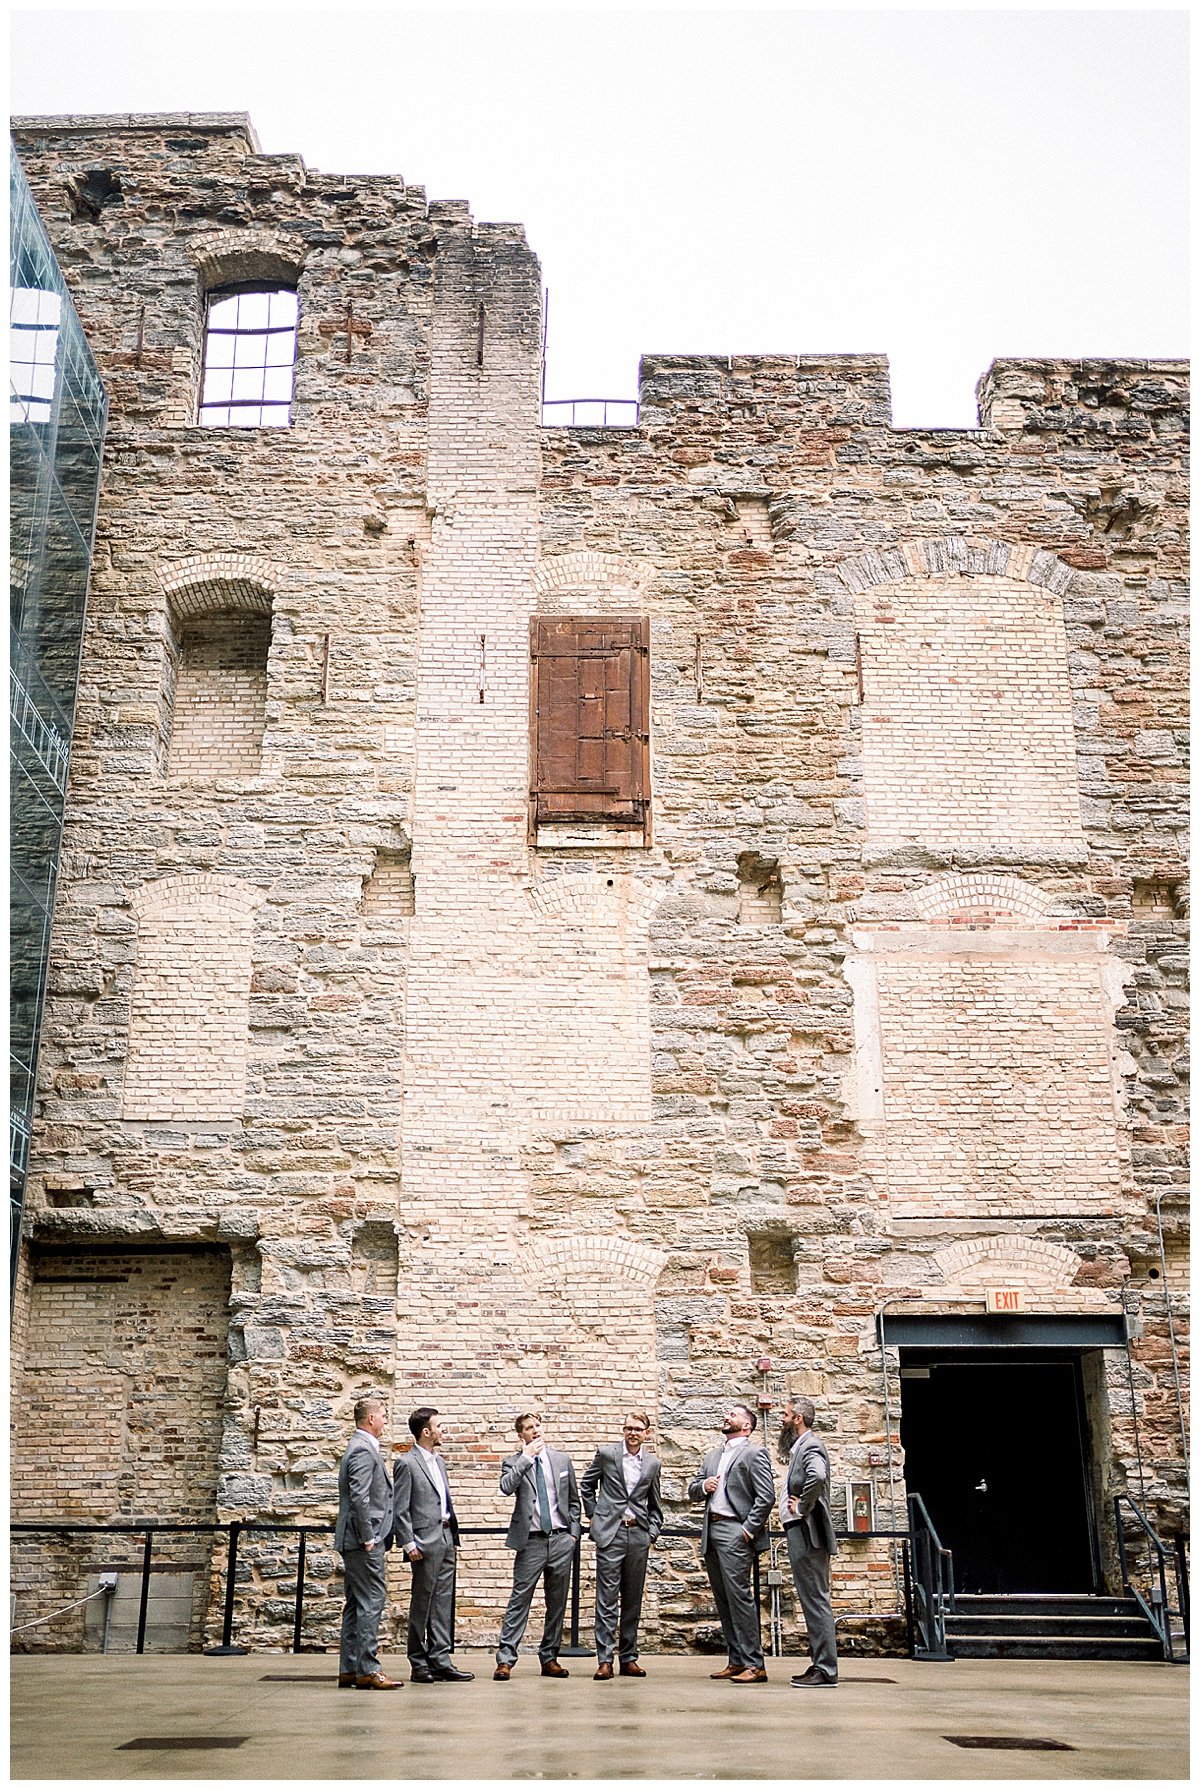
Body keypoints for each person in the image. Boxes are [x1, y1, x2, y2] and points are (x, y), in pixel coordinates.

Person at [688, 1401, 776, 1684]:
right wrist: (704, 1487)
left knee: (740, 1599)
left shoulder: (755, 1453)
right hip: (711, 1531)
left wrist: (748, 1530)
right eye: (727, 1414)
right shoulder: (713, 1456)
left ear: (747, 1425)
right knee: (724, 1600)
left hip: (735, 1531)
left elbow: (766, 1497)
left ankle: (755, 1664)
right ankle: (736, 1660)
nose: (727, 1417)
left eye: (733, 1415)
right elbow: (693, 1489)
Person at [493, 1412, 581, 1679]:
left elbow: (573, 1500)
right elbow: (506, 1487)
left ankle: (549, 1658)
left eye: (538, 1426)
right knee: (519, 1599)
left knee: (557, 1602)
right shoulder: (513, 1462)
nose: (535, 1431)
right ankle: (506, 1659)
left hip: (560, 1539)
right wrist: (527, 1457)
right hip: (530, 1541)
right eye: (529, 1428)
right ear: (521, 1434)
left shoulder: (561, 1460)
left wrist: (573, 1535)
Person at [392, 1406, 474, 1683]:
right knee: (422, 1603)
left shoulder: (438, 1462)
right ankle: (418, 1661)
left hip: (447, 1538)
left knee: (443, 1602)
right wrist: (408, 1543)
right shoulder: (407, 1463)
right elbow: (400, 1509)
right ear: (426, 1432)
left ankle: (440, 1659)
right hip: (424, 1543)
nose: (442, 1430)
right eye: (438, 1426)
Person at [581, 1411, 664, 1679]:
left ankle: (629, 1657)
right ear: (623, 1430)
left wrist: (651, 1532)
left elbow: (655, 1503)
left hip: (637, 1534)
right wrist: (594, 1516)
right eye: (628, 1428)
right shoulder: (607, 1455)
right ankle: (605, 1660)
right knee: (606, 1599)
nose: (632, 1433)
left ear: (646, 1433)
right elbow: (586, 1484)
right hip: (611, 1534)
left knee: (632, 1600)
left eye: (638, 1429)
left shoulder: (652, 1463)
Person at [334, 1395, 400, 1689]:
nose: (386, 1420)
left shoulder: (360, 1446)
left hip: (359, 1540)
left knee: (355, 1604)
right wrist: (368, 1537)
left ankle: (350, 1668)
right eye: (383, 1415)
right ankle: (368, 1669)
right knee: (372, 1600)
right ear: (370, 1419)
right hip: (363, 1542)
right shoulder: (362, 1449)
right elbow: (360, 1497)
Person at [778, 1395, 839, 1687]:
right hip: (801, 1533)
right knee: (811, 1599)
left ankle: (826, 1670)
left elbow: (817, 1475)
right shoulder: (800, 1447)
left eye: (786, 1414)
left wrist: (801, 1506)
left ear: (798, 1419)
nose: (783, 1419)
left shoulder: (811, 1445)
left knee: (815, 1600)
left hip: (807, 1533)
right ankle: (819, 1663)